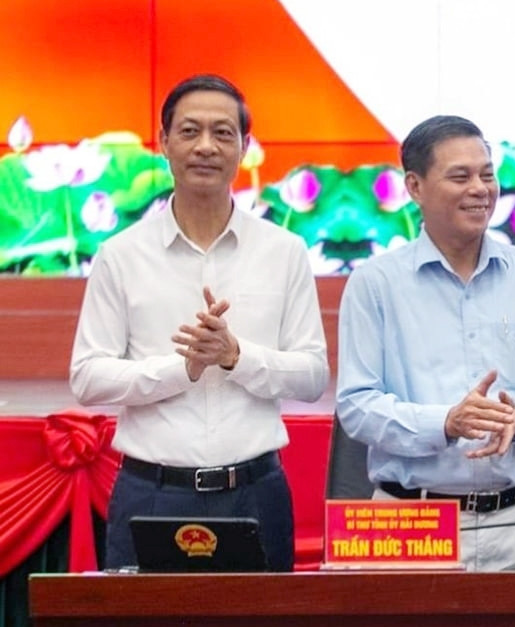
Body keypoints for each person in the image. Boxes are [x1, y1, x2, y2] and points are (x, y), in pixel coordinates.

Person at [70, 74, 328, 571]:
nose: (206, 146)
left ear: (245, 147)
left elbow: (313, 375)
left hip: (254, 492)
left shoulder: (284, 251)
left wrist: (236, 357)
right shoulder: (121, 255)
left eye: (223, 133)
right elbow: (88, 378)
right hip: (151, 493)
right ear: (164, 142)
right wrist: (181, 369)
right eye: (189, 131)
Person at [336, 115, 515, 571]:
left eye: (487, 175)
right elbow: (357, 406)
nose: (480, 189)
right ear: (415, 187)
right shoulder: (375, 283)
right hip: (408, 520)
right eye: (460, 176)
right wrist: (445, 423)